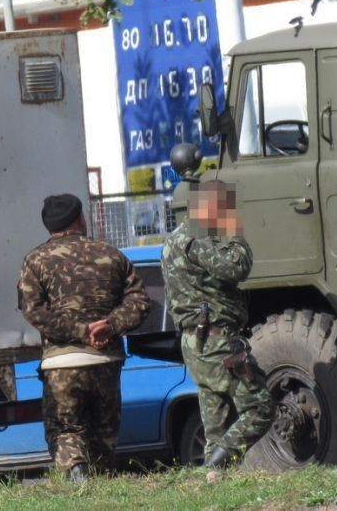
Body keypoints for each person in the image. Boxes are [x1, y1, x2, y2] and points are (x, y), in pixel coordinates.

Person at [17, 193, 149, 482]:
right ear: (79, 219)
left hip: (61, 364)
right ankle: (101, 486)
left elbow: (33, 310)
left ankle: (78, 475)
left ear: (49, 226)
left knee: (65, 428)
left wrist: (79, 332)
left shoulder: (35, 260)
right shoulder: (111, 254)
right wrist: (110, 326)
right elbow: (139, 302)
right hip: (106, 360)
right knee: (103, 433)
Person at [161, 180, 274, 468]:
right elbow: (236, 267)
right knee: (259, 407)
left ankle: (216, 484)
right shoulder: (197, 238)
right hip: (217, 342)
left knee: (216, 425)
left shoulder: (173, 240)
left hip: (197, 342)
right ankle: (216, 465)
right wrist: (236, 236)